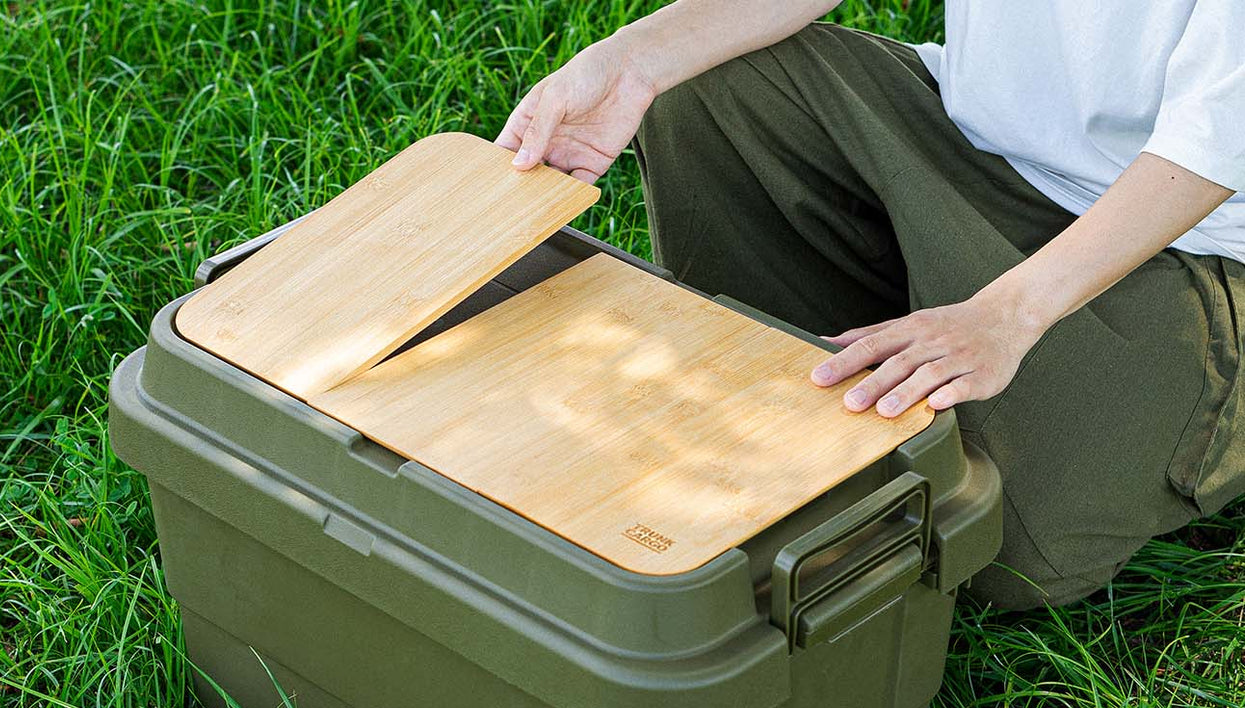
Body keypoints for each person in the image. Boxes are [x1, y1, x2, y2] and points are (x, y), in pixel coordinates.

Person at [496, 0, 1244, 610]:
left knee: (997, 544)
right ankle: (809, 362)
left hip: (1186, 244)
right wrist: (626, 64)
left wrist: (1006, 314)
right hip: (968, 139)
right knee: (701, 82)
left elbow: (1211, 144)